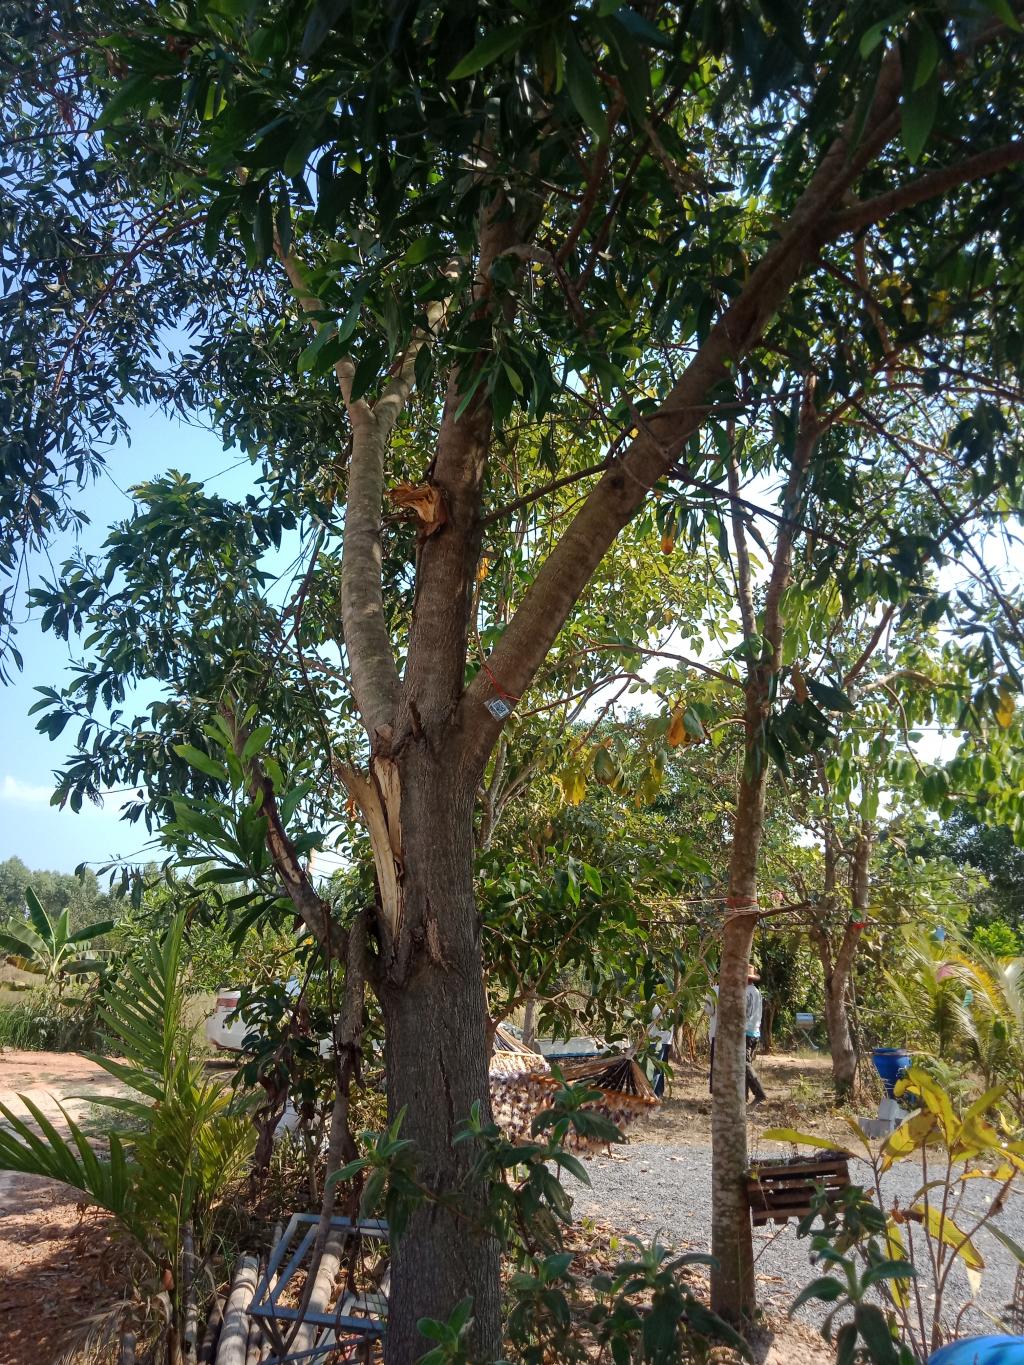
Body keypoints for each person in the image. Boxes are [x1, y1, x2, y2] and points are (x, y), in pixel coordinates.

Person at [745, 966, 766, 1107]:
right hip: (755, 1031)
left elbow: (746, 1014)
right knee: (746, 1064)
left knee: (744, 1064)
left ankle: (759, 1093)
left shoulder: (746, 993)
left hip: (747, 1032)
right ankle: (743, 1096)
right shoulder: (756, 992)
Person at [648, 1003, 673, 1097]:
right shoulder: (670, 1006)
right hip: (666, 1040)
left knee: (656, 1069)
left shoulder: (654, 1006)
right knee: (660, 1068)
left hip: (657, 1041)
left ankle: (654, 1094)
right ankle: (658, 1093)